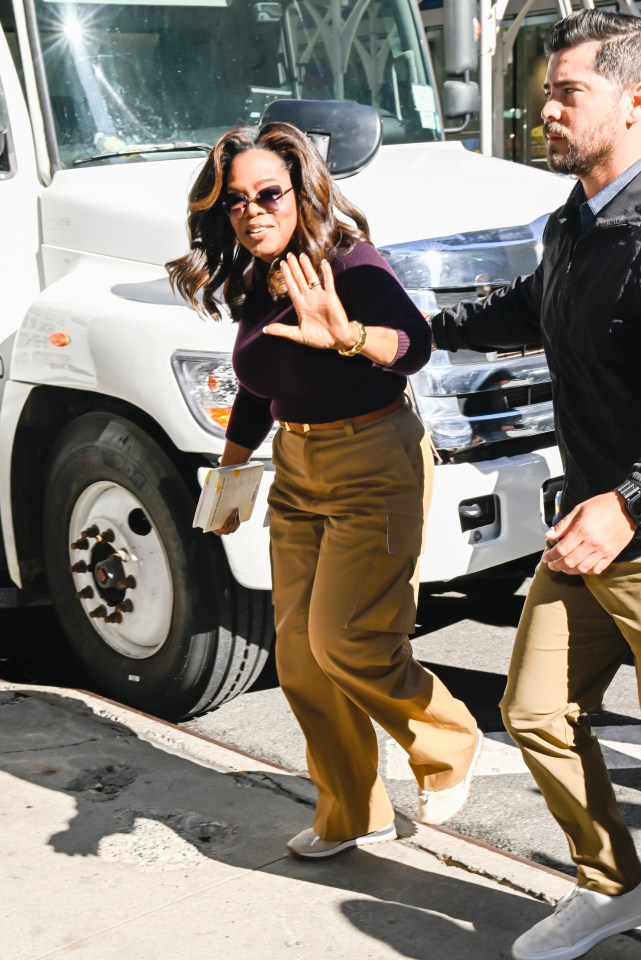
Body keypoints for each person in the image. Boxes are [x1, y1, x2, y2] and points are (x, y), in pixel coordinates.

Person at [167, 120, 482, 859]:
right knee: (301, 658)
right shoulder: (254, 278)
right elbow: (256, 386)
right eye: (234, 203)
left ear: (299, 191)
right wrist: (230, 476)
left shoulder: (350, 263)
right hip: (297, 472)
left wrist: (344, 334)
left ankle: (448, 741)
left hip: (374, 460)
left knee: (349, 641)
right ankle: (353, 811)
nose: (251, 212)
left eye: (266, 194)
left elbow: (414, 344)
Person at [429, 10, 641, 960]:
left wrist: (629, 504)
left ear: (633, 100)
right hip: (586, 533)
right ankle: (611, 887)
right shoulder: (577, 218)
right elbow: (529, 305)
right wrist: (409, 324)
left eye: (567, 93)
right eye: (543, 92)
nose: (542, 110)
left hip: (627, 527)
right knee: (534, 713)